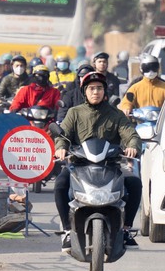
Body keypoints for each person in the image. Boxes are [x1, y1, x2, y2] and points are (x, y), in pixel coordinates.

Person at [53, 70, 143, 246]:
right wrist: (61, 148)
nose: (96, 92)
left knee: (134, 183)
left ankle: (126, 229)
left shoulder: (115, 114)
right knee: (60, 185)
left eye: (99, 88)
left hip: (111, 166)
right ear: (84, 91)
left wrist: (133, 145)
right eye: (92, 88)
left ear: (105, 91)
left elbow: (130, 134)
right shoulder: (74, 113)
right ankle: (66, 231)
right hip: (78, 165)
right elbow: (62, 136)